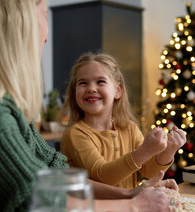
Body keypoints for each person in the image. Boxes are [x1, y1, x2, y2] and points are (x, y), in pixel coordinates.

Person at [0, 1, 180, 212]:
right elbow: (36, 204)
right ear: (19, 20)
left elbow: (53, 176)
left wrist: (128, 193)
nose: (46, 36)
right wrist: (134, 206)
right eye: (44, 15)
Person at [60, 52, 186, 189]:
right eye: (83, 83)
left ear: (118, 90)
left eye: (100, 81)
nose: (91, 88)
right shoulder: (76, 133)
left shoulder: (129, 128)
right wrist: (145, 150)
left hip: (128, 208)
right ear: (75, 91)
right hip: (95, 209)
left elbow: (149, 172)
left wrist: (169, 150)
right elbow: (102, 175)